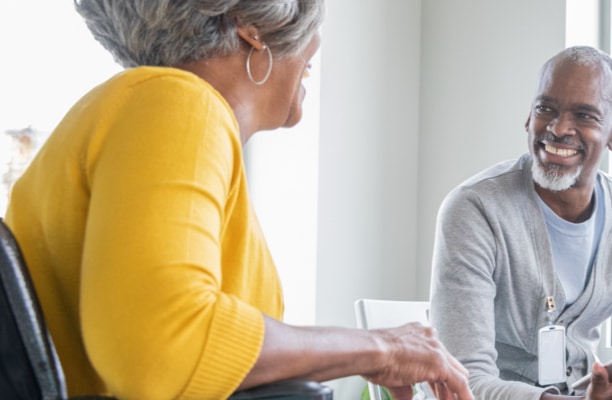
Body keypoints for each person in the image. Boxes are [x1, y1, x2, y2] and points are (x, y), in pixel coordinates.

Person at [4, 1, 471, 399]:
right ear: (254, 28)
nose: (317, 45)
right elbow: (159, 348)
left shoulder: (135, 108)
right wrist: (380, 348)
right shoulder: (177, 102)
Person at [429, 46, 612, 400]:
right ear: (528, 117)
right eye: (546, 109)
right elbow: (461, 382)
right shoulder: (475, 208)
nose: (559, 128)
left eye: (585, 115)